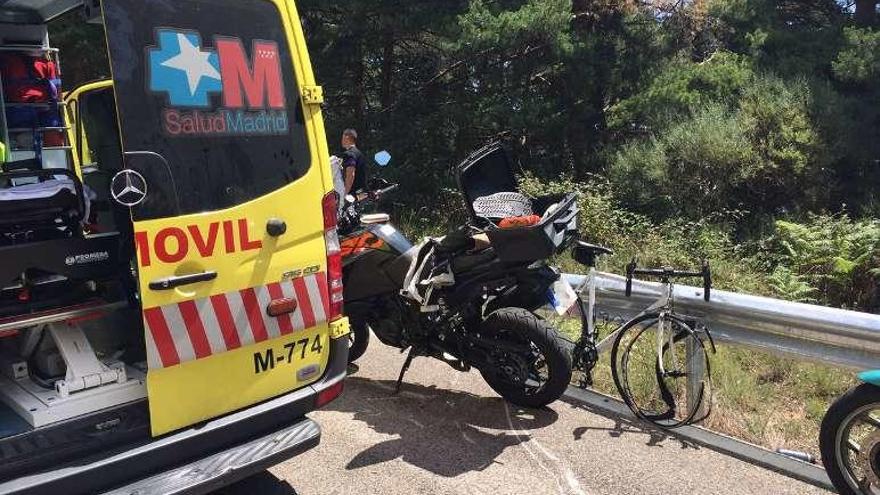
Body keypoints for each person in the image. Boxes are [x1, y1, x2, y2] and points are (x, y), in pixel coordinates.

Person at [341, 128, 367, 196]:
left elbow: (351, 174)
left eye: (342, 137)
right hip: (361, 193)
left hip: (352, 195)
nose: (341, 140)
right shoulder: (359, 153)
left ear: (347, 138)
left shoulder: (349, 154)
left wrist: (345, 193)